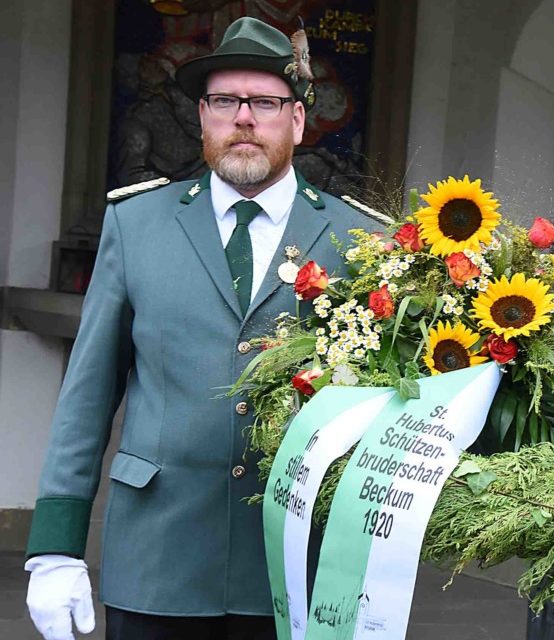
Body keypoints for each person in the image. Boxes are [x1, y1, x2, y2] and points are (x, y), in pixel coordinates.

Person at [24, 17, 375, 639]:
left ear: (297, 120)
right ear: (203, 117)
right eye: (224, 101)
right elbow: (88, 391)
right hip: (157, 559)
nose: (244, 118)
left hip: (298, 564)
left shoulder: (361, 240)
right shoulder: (138, 224)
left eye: (265, 102)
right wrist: (56, 545)